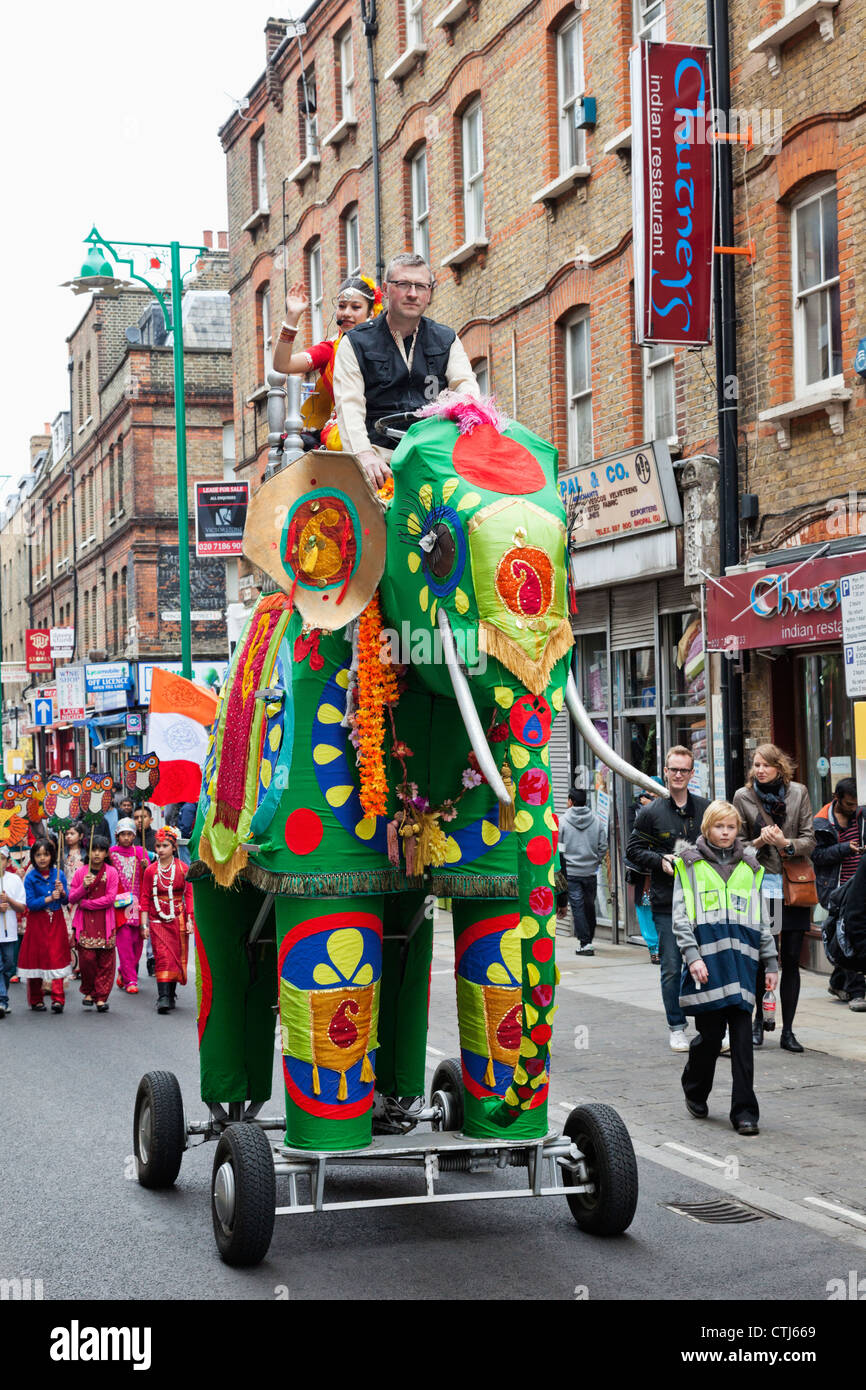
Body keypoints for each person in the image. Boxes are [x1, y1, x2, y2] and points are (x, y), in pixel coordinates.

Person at [673, 801, 779, 1136]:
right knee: (710, 1037)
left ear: (738, 831)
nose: (725, 833)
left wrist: (771, 960)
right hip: (707, 966)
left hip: (742, 966)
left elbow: (762, 919)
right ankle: (695, 1086)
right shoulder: (688, 865)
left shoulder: (751, 867)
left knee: (743, 1040)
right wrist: (693, 957)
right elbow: (680, 916)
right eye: (719, 826)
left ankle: (745, 1111)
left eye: (731, 827)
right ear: (708, 828)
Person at [332, 252, 479, 489]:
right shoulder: (355, 342)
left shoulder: (446, 338)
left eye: (420, 286)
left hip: (437, 457)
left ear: (429, 293)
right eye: (403, 285)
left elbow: (466, 388)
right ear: (387, 289)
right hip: (380, 459)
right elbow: (349, 406)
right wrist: (363, 454)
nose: (412, 293)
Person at [733, 743, 816, 1053]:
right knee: (761, 957)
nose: (760, 770)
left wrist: (785, 843)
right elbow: (736, 846)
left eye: (766, 765)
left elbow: (810, 839)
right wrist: (759, 839)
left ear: (779, 768)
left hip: (791, 884)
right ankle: (758, 1023)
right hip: (760, 883)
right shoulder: (744, 797)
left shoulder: (798, 792)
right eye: (756, 764)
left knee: (791, 958)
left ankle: (789, 1031)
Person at [626, 746, 709, 1051]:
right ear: (665, 772)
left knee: (704, 962)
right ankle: (676, 1026)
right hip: (666, 901)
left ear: (691, 773)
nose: (677, 775)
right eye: (673, 769)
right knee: (673, 964)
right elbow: (632, 850)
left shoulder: (705, 809)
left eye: (683, 770)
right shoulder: (651, 812)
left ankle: (709, 1025)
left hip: (703, 900)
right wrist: (660, 860)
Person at [273, 276, 383, 449]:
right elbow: (282, 364)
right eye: (341, 306)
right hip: (343, 428)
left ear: (371, 313)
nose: (346, 312)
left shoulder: (387, 346)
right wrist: (292, 317)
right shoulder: (330, 349)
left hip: (383, 420)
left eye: (355, 307)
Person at [812, 776, 866, 1010]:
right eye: (849, 805)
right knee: (848, 932)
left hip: (859, 883)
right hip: (836, 887)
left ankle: (838, 982)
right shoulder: (822, 822)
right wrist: (845, 849)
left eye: (857, 804)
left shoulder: (863, 815)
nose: (854, 809)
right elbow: (817, 856)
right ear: (837, 799)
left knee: (843, 936)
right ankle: (857, 992)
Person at [140, 827, 194, 1015]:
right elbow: (145, 897)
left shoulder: (182, 869)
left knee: (174, 958)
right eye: (158, 846)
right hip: (157, 920)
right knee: (162, 956)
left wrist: (189, 920)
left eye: (165, 845)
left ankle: (170, 994)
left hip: (177, 919)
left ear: (173, 847)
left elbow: (189, 896)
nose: (161, 849)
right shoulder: (150, 871)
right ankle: (163, 997)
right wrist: (144, 924)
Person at [18, 839, 71, 1013]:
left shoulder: (58, 874)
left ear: (52, 855)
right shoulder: (31, 877)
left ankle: (58, 999)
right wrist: (49, 898)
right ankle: (35, 998)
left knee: (57, 957)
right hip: (37, 921)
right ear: (33, 856)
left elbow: (66, 900)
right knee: (36, 958)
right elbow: (30, 903)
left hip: (56, 920)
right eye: (38, 855)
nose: (42, 858)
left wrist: (62, 892)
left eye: (46, 854)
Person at [68, 835, 119, 1012]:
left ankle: (101, 997)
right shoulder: (81, 872)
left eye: (101, 850)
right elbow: (72, 897)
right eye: (94, 849)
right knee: (87, 959)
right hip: (85, 923)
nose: (97, 853)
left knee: (106, 961)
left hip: (105, 923)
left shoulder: (111, 872)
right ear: (88, 851)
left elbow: (110, 899)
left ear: (106, 853)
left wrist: (87, 903)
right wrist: (83, 886)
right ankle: (89, 991)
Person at [559, 787, 607, 956]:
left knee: (577, 906)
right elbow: (603, 846)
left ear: (571, 801)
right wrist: (595, 861)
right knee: (589, 906)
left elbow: (559, 849)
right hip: (590, 872)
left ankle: (585, 943)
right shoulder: (596, 820)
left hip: (571, 872)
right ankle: (589, 940)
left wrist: (563, 866)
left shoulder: (562, 821)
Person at [110, 818, 150, 993]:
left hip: (138, 903)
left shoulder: (140, 852)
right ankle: (131, 981)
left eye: (129, 834)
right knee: (124, 942)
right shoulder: (110, 853)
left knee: (137, 943)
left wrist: (145, 866)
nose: (126, 838)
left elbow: (148, 878)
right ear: (117, 835)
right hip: (119, 903)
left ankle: (124, 972)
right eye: (123, 834)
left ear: (134, 835)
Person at [627, 786, 661, 962]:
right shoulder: (633, 812)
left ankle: (663, 945)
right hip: (643, 872)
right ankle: (653, 947)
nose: (652, 798)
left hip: (663, 871)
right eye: (649, 795)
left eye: (656, 795)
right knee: (645, 908)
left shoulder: (667, 811)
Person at [0, 846, 27, 1018]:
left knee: (8, 966)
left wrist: (8, 900)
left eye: (1, 858)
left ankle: (2, 994)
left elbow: (22, 906)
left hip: (9, 932)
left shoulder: (14, 880)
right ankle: (2, 1000)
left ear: (8, 862)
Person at [62, 821, 87, 979]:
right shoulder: (62, 854)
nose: (68, 836)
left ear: (81, 836)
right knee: (67, 932)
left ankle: (81, 967)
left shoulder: (85, 855)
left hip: (81, 897)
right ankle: (72, 965)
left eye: (72, 833)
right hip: (66, 897)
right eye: (67, 834)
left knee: (80, 932)